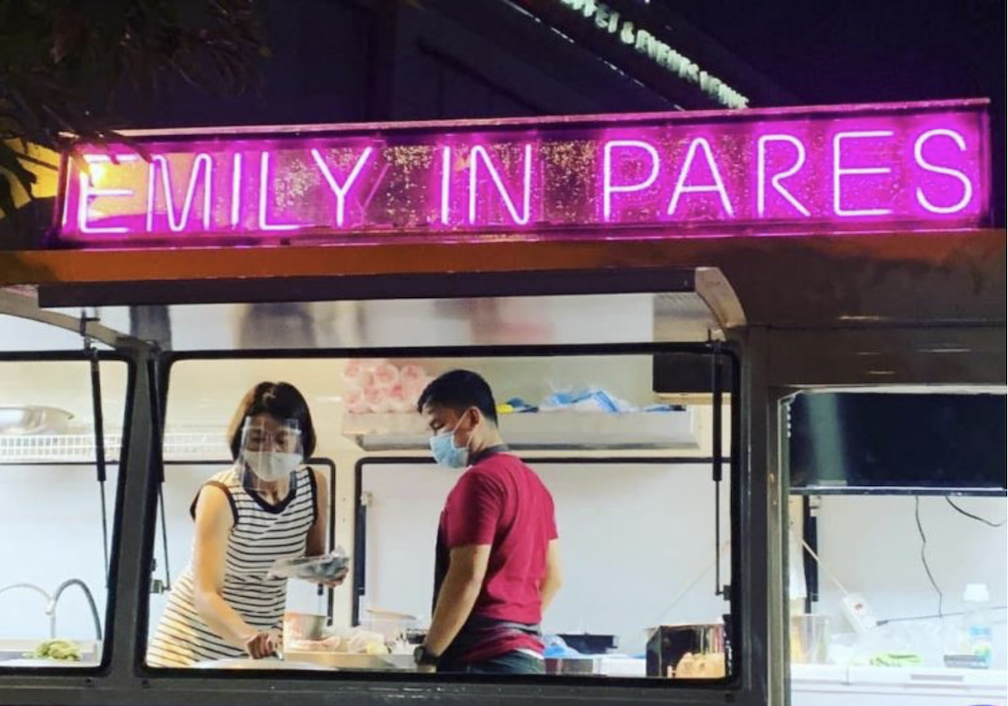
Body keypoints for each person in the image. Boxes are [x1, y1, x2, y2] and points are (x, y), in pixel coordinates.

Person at [147, 382, 342, 667]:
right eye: (257, 439)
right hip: (188, 652)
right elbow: (206, 594)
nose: (269, 450)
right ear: (240, 440)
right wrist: (248, 636)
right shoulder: (219, 495)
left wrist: (326, 569)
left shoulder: (314, 485)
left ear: (301, 442)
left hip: (256, 646)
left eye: (281, 440)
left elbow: (305, 561)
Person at [413, 370, 562, 675]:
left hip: (482, 662)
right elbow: (554, 577)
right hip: (526, 660)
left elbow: (467, 577)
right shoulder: (534, 484)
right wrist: (515, 633)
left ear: (471, 418)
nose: (434, 440)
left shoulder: (479, 481)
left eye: (438, 425)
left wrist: (429, 656)